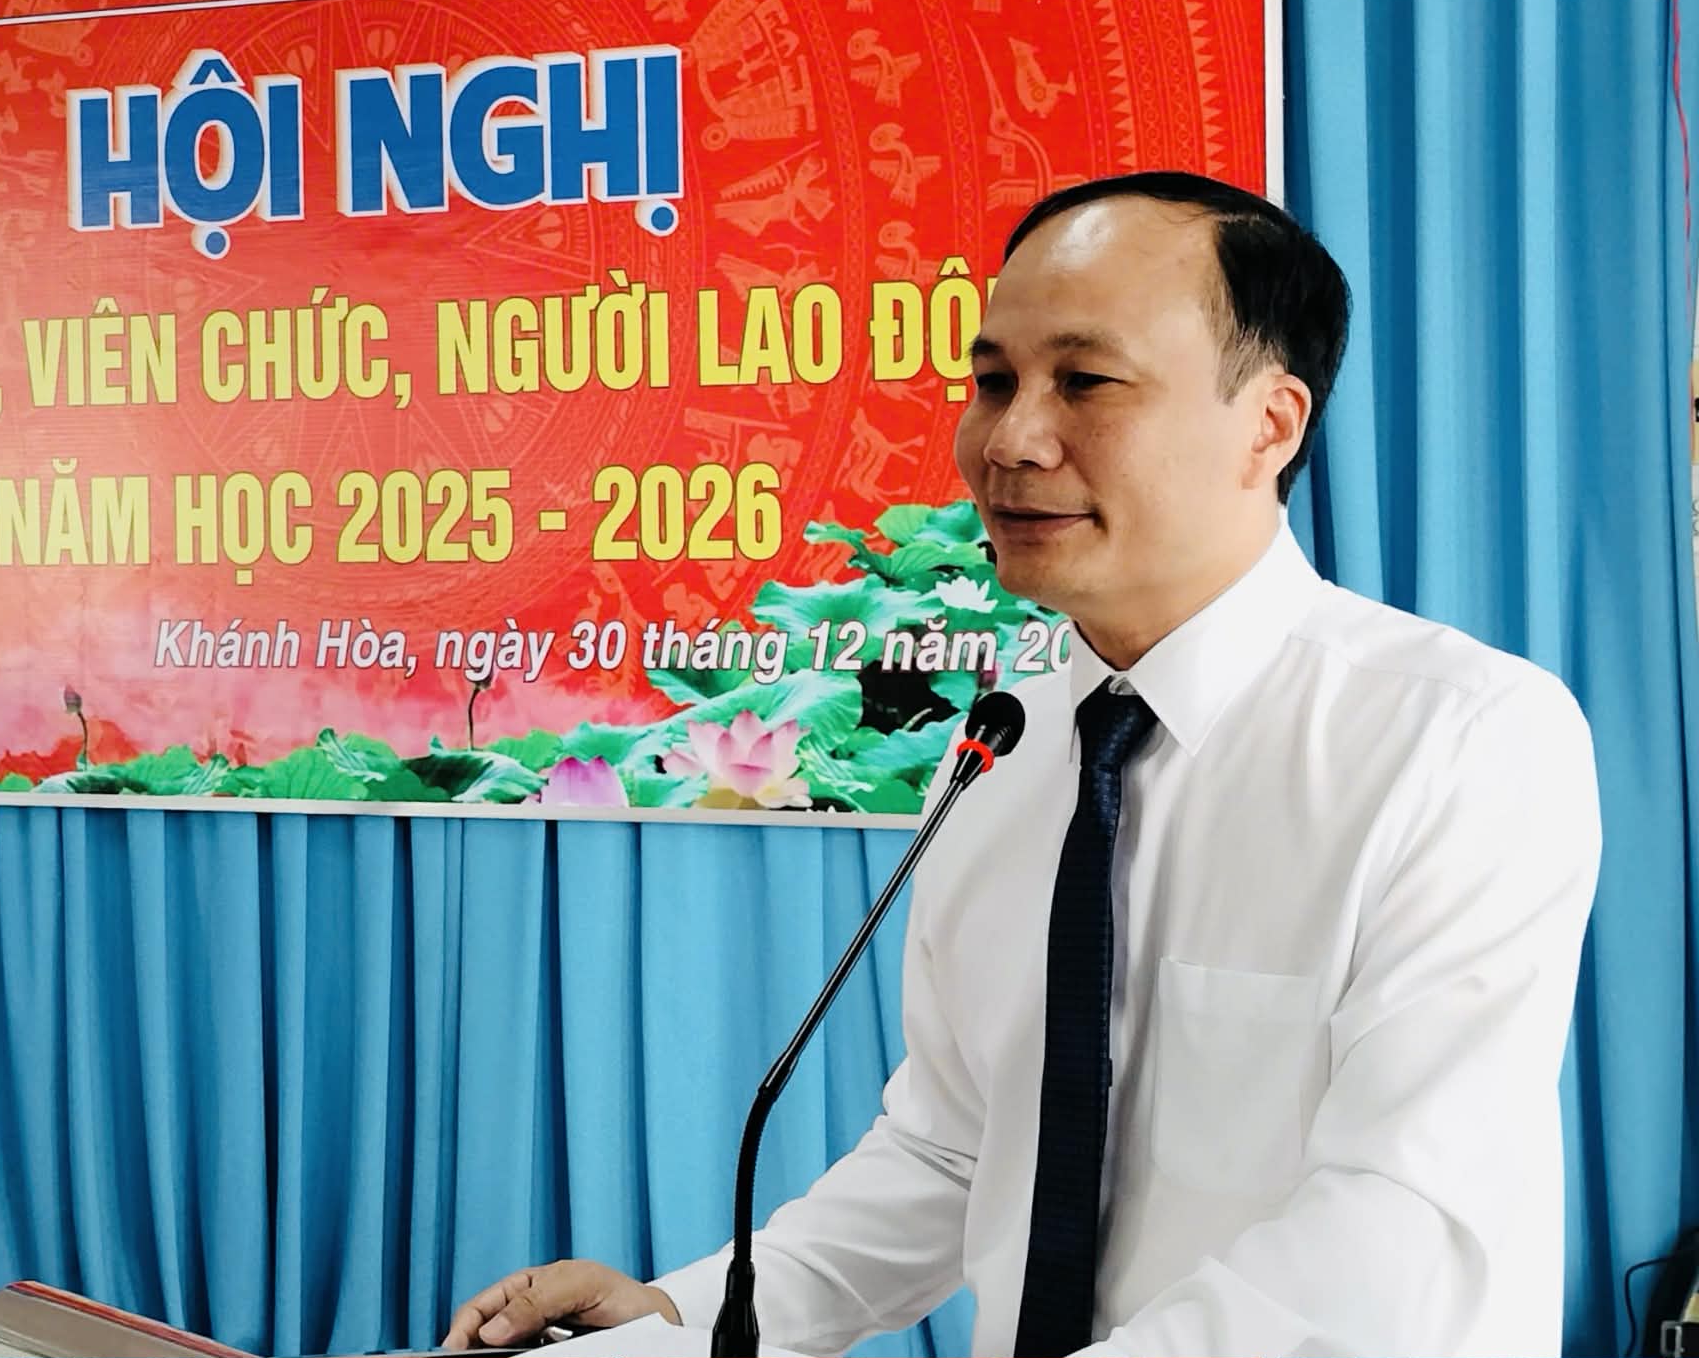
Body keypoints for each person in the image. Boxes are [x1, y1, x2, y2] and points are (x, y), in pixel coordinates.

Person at [442, 172, 1602, 1357]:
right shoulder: (1004, 747)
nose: (1008, 438)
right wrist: (685, 1317)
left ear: (1268, 422)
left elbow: (1392, 1225)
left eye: (1084, 381)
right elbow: (953, 1154)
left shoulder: (1457, 741)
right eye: (992, 380)